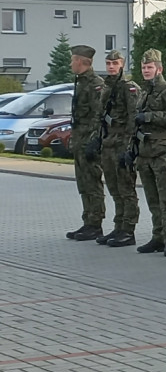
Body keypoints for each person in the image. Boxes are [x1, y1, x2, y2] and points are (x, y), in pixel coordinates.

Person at [132, 49, 166, 257]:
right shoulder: (145, 93)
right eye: (144, 67)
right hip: (145, 152)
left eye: (150, 67)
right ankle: (158, 236)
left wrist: (149, 116)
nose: (146, 71)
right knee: (152, 199)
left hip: (162, 150)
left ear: (159, 69)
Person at [96, 51, 140, 248]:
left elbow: (133, 118)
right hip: (108, 143)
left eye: (115, 63)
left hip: (122, 142)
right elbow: (101, 117)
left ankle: (128, 230)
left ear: (122, 64)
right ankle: (119, 226)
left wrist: (130, 147)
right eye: (108, 63)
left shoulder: (128, 88)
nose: (111, 66)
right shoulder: (107, 87)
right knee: (114, 188)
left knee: (126, 189)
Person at [66, 44, 106, 241]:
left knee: (92, 182)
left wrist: (94, 141)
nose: (71, 63)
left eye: (73, 59)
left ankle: (95, 223)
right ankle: (87, 221)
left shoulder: (95, 84)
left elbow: (98, 116)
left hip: (89, 141)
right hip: (80, 140)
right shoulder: (80, 82)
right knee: (83, 182)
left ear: (81, 61)